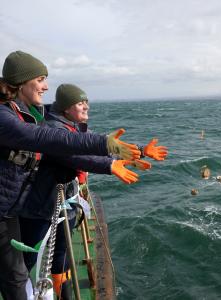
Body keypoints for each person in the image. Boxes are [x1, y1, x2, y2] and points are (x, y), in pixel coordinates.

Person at [0, 51, 142, 300]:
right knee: (15, 276)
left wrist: (128, 153)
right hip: (10, 209)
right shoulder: (4, 116)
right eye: (40, 79)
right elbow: (48, 139)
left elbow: (64, 145)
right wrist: (106, 145)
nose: (45, 86)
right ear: (21, 82)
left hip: (10, 209)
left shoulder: (32, 112)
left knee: (18, 273)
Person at [19, 83, 168, 298]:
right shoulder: (52, 129)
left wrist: (141, 151)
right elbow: (76, 156)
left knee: (61, 254)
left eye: (86, 102)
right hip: (41, 207)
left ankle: (64, 294)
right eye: (80, 103)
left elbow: (96, 149)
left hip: (65, 203)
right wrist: (109, 166)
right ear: (66, 108)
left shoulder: (73, 126)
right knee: (25, 258)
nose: (86, 107)